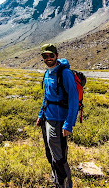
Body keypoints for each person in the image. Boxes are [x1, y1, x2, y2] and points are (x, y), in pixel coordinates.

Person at [36, 43, 79, 188]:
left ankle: (65, 185)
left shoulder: (64, 73)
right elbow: (46, 97)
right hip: (47, 119)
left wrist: (69, 124)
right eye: (45, 56)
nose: (48, 58)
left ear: (57, 56)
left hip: (59, 121)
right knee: (50, 153)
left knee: (59, 157)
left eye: (51, 55)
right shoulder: (47, 73)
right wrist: (41, 115)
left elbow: (74, 99)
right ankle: (57, 182)